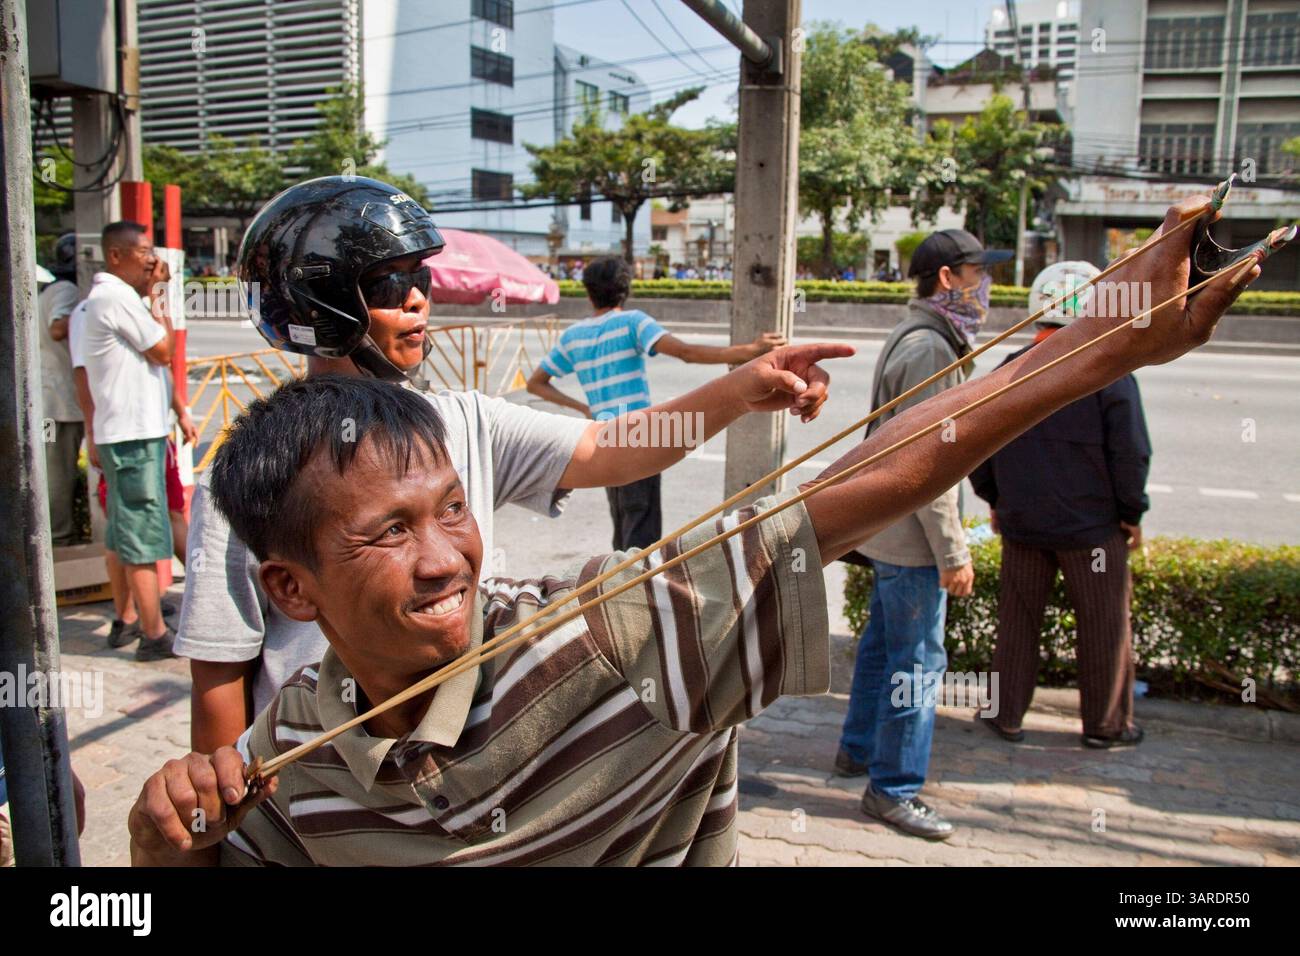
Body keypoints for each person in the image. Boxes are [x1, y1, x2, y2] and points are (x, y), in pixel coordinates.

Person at [125, 191, 1260, 865]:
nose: (446, 554)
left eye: (456, 509)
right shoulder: (293, 777)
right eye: (386, 530)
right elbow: (219, 694)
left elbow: (855, 474)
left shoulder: (610, 643)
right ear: (293, 584)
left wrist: (1105, 338)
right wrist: (176, 823)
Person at [176, 176, 846, 754]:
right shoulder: (247, 477)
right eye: (388, 283)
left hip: (469, 752)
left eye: (421, 278)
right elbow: (220, 672)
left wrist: (743, 387)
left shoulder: (463, 419)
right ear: (317, 304)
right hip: (326, 780)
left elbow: (608, 447)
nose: (418, 300)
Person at [835, 228, 1012, 840]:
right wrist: (952, 551)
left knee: (882, 648)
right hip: (913, 538)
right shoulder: (932, 348)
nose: (984, 283)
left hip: (891, 529)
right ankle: (892, 790)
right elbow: (930, 462)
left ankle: (857, 749)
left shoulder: (920, 333)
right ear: (947, 279)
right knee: (918, 663)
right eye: (976, 271)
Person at [970, 261, 1151, 749]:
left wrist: (996, 500)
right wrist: (1132, 514)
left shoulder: (1008, 369)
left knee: (1017, 624)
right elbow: (1130, 452)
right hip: (1092, 531)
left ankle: (1004, 716)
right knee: (1104, 626)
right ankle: (1105, 726)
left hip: (1022, 523)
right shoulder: (1109, 368)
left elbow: (974, 448)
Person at [526, 255, 786, 551]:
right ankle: (635, 594)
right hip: (638, 439)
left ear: (588, 292)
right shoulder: (632, 322)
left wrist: (584, 409)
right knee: (641, 537)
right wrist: (750, 351)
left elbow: (536, 383)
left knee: (623, 523)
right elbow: (686, 352)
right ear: (625, 290)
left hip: (601, 440)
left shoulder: (573, 336)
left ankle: (616, 590)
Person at [78, 222, 193, 662]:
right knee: (143, 531)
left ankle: (130, 620)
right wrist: (161, 293)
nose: (151, 260)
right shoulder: (112, 297)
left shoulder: (120, 299)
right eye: (143, 251)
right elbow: (163, 351)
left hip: (134, 432)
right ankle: (154, 633)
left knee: (129, 529)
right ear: (115, 256)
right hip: (130, 435)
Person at [37, 233, 86, 546]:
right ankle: (60, 537)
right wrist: (89, 316)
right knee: (58, 470)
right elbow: (57, 328)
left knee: (54, 466)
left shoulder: (49, 290)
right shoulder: (66, 290)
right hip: (58, 406)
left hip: (49, 401)